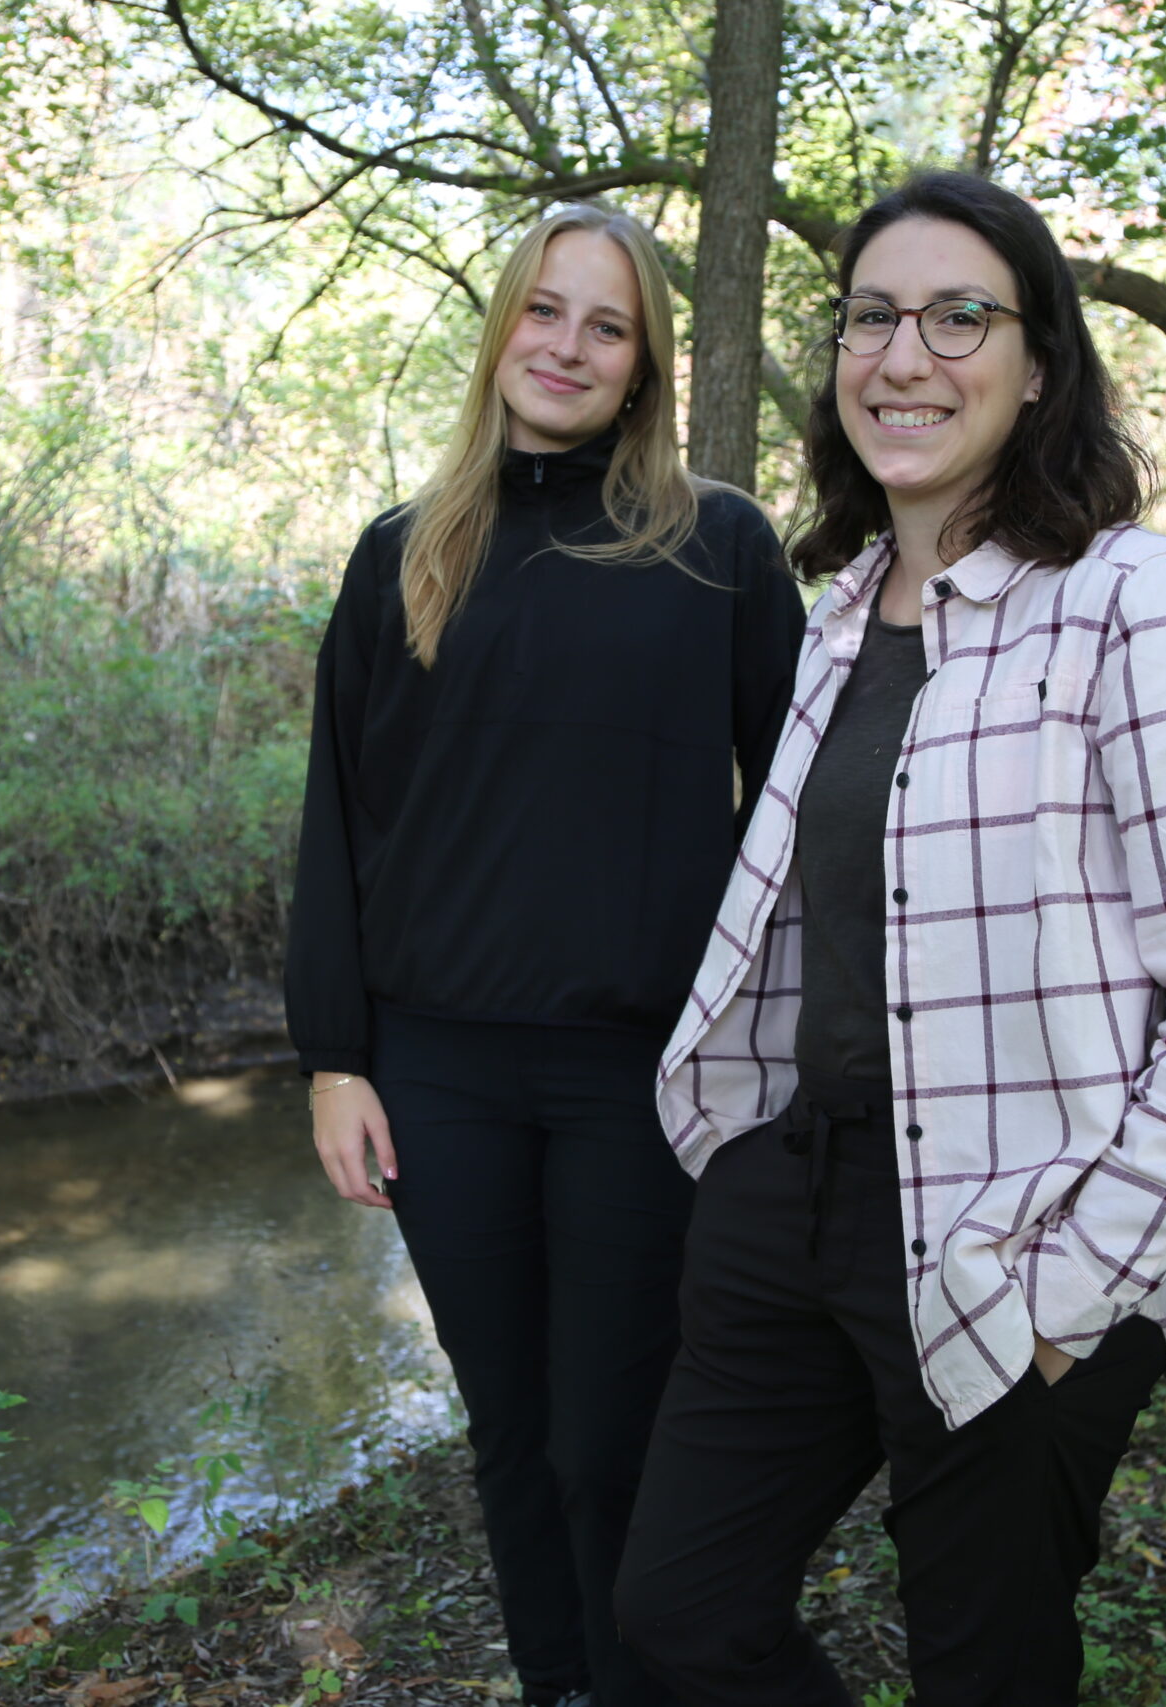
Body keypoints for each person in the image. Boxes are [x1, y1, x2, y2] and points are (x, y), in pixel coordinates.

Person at [613, 169, 1166, 1707]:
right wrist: (742, 1158)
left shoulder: (1140, 598)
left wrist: (1079, 1293)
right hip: (797, 1197)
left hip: (1021, 1226)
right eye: (873, 316)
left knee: (984, 1674)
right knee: (675, 1621)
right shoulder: (845, 614)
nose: (905, 354)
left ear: (1039, 363)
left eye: (958, 316)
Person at [285, 202, 805, 1707]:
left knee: (609, 1439)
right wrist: (335, 1057)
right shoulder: (407, 553)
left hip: (633, 1077)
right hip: (436, 1069)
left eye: (607, 323)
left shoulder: (715, 545)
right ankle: (560, 1686)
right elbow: (342, 813)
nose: (568, 345)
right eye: (545, 311)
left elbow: (794, 808)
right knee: (508, 1433)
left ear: (644, 363)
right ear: (503, 326)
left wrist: (784, 1049)